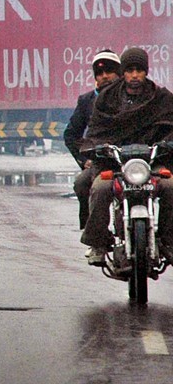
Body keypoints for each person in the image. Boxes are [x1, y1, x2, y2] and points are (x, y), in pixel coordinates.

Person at [81, 47, 173, 265]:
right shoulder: (106, 99)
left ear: (146, 72)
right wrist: (99, 148)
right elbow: (95, 131)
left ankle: (168, 241)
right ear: (123, 72)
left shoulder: (161, 98)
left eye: (139, 70)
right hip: (115, 163)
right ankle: (99, 243)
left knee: (170, 187)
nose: (134, 75)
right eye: (130, 70)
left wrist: (166, 145)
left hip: (152, 162)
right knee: (100, 188)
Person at [64, 50, 121, 230]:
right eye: (100, 73)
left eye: (109, 72)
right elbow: (71, 135)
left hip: (131, 161)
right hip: (101, 162)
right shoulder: (87, 101)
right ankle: (94, 237)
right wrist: (85, 159)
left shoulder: (133, 97)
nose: (105, 77)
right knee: (82, 184)